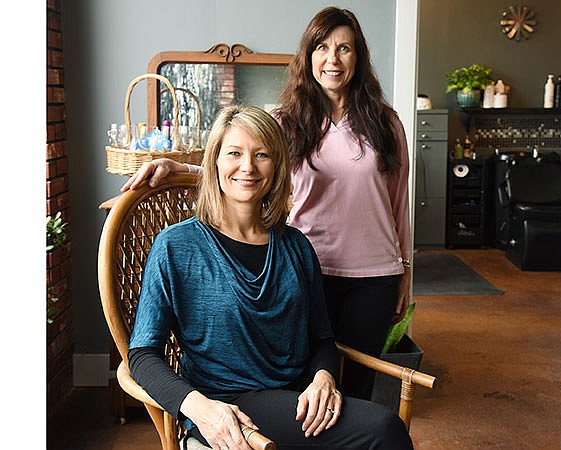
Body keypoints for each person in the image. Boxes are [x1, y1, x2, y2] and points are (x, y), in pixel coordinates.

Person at [122, 6, 412, 401]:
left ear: (358, 57)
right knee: (311, 384)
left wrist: (404, 270)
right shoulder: (283, 122)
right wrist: (179, 167)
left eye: (344, 49)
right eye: (322, 47)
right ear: (308, 56)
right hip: (307, 269)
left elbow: (399, 205)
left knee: (355, 392)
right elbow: (242, 170)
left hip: (373, 276)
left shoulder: (386, 124)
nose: (332, 59)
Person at [128, 105, 413, 450]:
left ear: (277, 167)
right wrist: (200, 409)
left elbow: (321, 338)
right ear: (214, 161)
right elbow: (143, 355)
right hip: (226, 407)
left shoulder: (296, 246)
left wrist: (325, 377)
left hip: (297, 402)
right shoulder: (176, 246)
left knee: (381, 427)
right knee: (384, 429)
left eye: (261, 154)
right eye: (234, 153)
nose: (247, 166)